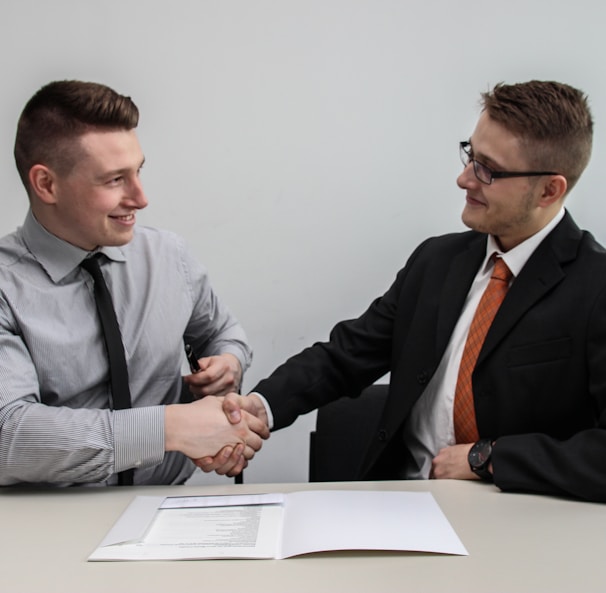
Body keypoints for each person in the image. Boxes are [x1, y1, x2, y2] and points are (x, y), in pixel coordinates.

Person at [204, 80, 606, 502]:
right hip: (404, 507)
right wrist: (259, 407)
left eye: (488, 169)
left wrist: (488, 457)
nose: (464, 178)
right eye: (470, 155)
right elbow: (346, 356)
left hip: (523, 524)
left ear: (549, 189)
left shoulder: (595, 287)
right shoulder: (437, 262)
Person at [0, 80, 268, 486]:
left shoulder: (169, 256)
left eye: (138, 171)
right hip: (45, 526)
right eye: (114, 180)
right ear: (46, 185)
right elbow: (9, 436)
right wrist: (169, 428)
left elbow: (222, 333)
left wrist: (227, 364)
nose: (141, 198)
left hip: (167, 509)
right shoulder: (5, 286)